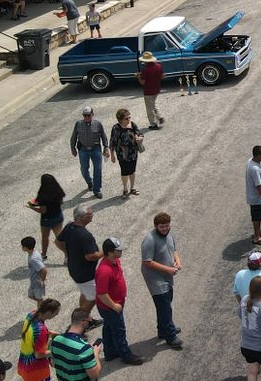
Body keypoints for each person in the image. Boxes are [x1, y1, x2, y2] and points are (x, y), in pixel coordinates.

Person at [95, 237, 143, 365]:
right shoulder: (104, 271)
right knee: (119, 330)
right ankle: (126, 355)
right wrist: (114, 306)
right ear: (110, 252)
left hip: (114, 305)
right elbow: (102, 294)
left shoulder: (115, 261)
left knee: (109, 327)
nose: (121, 252)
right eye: (118, 250)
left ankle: (110, 352)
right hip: (110, 307)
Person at [141, 212, 183, 350]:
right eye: (162, 227)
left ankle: (162, 329)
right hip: (155, 279)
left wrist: (177, 260)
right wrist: (168, 269)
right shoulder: (149, 239)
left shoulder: (169, 235)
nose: (165, 229)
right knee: (165, 306)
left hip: (167, 275)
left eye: (166, 226)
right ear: (155, 226)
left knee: (165, 304)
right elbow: (147, 262)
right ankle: (170, 336)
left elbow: (174, 249)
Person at [55, 206, 103, 328]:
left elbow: (58, 242)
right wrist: (105, 252)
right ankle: (79, 323)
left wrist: (67, 253)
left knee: (85, 293)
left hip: (74, 269)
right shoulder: (85, 235)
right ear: (84, 217)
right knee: (93, 297)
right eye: (91, 213)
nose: (92, 214)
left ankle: (88, 319)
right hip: (85, 274)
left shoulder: (70, 226)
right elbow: (90, 256)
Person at [49, 309, 103, 381]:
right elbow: (94, 375)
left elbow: (53, 364)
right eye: (90, 322)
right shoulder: (84, 349)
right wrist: (96, 354)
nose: (89, 325)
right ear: (84, 323)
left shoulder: (56, 340)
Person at [16, 298, 61, 381]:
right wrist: (54, 351)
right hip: (36, 370)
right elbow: (39, 355)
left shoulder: (31, 314)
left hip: (24, 363)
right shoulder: (42, 331)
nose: (56, 315)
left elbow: (33, 332)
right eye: (56, 313)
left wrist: (49, 332)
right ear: (48, 313)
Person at [72, 106, 109, 198]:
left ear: (92, 114)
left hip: (95, 148)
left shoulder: (98, 124)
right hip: (83, 150)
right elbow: (74, 137)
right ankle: (90, 182)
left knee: (98, 169)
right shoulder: (78, 124)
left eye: (88, 115)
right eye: (84, 115)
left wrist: (106, 147)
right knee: (84, 169)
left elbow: (104, 137)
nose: (86, 117)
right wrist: (72, 148)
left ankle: (97, 190)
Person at [27, 173, 66, 260]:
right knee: (59, 238)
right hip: (58, 216)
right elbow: (61, 202)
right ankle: (67, 255)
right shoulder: (58, 190)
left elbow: (43, 211)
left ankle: (44, 254)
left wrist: (32, 208)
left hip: (46, 219)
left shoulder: (42, 195)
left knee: (45, 237)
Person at [108, 108, 143, 197]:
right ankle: (125, 189)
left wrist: (141, 138)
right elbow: (112, 141)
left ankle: (132, 188)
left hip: (133, 153)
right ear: (120, 120)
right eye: (126, 118)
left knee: (132, 170)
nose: (129, 120)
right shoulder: (116, 128)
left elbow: (140, 133)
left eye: (129, 117)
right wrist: (112, 155)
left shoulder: (132, 124)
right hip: (122, 154)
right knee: (124, 171)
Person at [23, 236, 47, 303]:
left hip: (37, 282)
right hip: (33, 281)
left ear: (25, 247)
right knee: (31, 295)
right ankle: (42, 306)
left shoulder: (33, 259)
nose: (21, 247)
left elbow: (44, 270)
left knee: (39, 299)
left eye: (22, 246)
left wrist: (42, 280)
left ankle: (43, 309)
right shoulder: (35, 252)